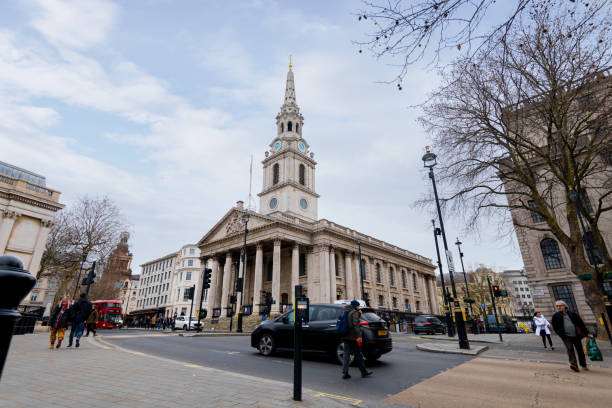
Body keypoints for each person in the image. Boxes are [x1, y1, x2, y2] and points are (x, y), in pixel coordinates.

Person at [551, 300, 593, 372]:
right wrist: (560, 334)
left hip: (576, 335)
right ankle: (574, 365)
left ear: (565, 306)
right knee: (570, 349)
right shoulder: (555, 316)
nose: (558, 307)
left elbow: (581, 324)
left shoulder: (573, 314)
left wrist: (587, 333)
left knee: (580, 350)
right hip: (566, 337)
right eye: (557, 306)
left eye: (560, 305)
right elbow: (555, 327)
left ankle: (583, 365)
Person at [341, 300, 373, 379]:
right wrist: (359, 337)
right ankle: (364, 372)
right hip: (353, 337)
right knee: (358, 354)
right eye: (358, 306)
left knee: (346, 355)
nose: (359, 307)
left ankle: (345, 373)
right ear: (355, 306)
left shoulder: (346, 311)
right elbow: (356, 325)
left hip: (345, 336)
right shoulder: (354, 312)